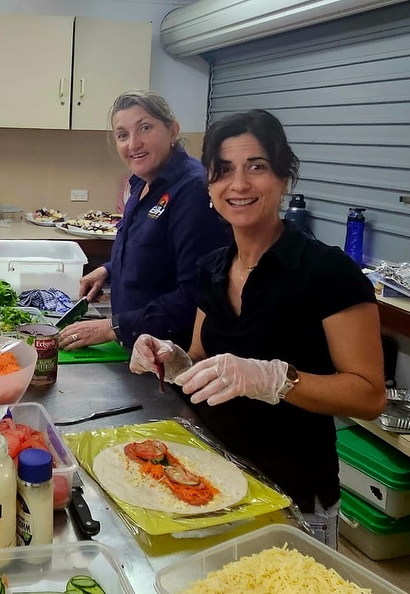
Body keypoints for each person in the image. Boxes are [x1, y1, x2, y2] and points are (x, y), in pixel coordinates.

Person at [129, 109, 385, 547]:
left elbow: (369, 395)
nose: (239, 184)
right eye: (224, 171)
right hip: (211, 480)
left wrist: (275, 379)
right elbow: (202, 362)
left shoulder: (327, 271)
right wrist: (172, 361)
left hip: (293, 495)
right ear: (210, 186)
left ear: (284, 178)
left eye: (257, 167)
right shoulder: (212, 267)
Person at [59, 90, 230, 352]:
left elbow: (194, 296)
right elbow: (151, 249)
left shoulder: (193, 191)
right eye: (122, 135)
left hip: (171, 356)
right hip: (138, 345)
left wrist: (112, 328)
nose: (133, 143)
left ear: (172, 131)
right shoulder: (142, 183)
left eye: (145, 128)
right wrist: (109, 269)